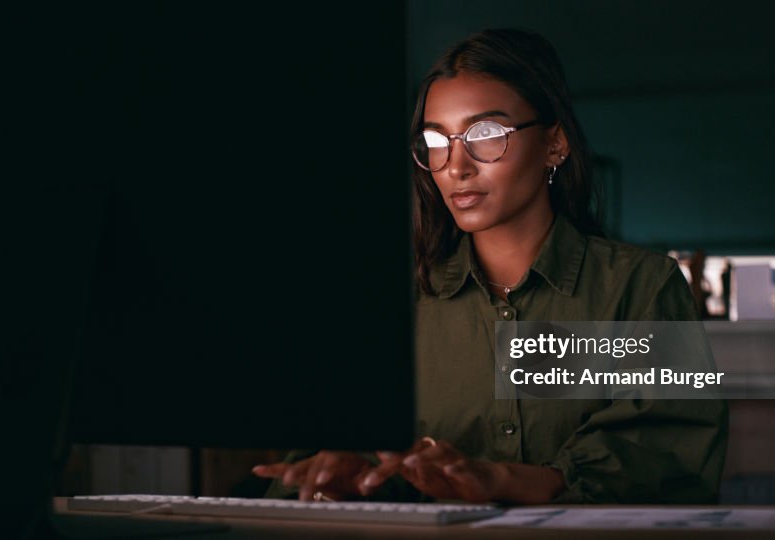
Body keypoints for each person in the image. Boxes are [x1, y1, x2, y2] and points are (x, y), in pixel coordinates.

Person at [252, 28, 728, 504]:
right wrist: (345, 479)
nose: (456, 165)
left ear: (554, 144)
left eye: (486, 134)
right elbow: (327, 456)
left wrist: (501, 482)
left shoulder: (640, 286)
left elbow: (666, 452)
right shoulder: (394, 304)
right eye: (435, 140)